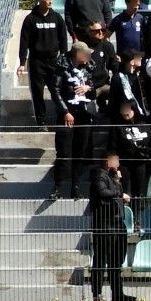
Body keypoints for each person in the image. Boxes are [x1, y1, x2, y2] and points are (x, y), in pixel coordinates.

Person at [17, 0, 72, 127]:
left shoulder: (57, 18)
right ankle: (41, 121)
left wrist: (63, 56)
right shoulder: (30, 19)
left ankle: (62, 115)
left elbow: (63, 39)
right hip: (36, 61)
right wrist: (22, 62)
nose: (50, 1)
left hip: (54, 60)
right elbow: (24, 41)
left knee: (57, 89)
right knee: (38, 92)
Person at [87, 149, 135, 301]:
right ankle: (97, 295)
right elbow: (103, 192)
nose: (118, 164)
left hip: (117, 223)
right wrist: (119, 192)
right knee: (100, 260)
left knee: (116, 261)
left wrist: (117, 182)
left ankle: (118, 295)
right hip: (104, 223)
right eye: (116, 161)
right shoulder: (99, 174)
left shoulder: (114, 177)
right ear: (108, 162)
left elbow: (117, 193)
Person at [55, 42, 101, 198]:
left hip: (85, 114)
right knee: (64, 152)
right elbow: (56, 90)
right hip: (68, 114)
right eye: (85, 53)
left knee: (80, 152)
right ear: (77, 54)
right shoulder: (62, 67)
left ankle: (76, 186)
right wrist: (65, 111)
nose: (88, 56)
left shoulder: (90, 67)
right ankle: (58, 188)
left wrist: (89, 88)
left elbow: (94, 89)